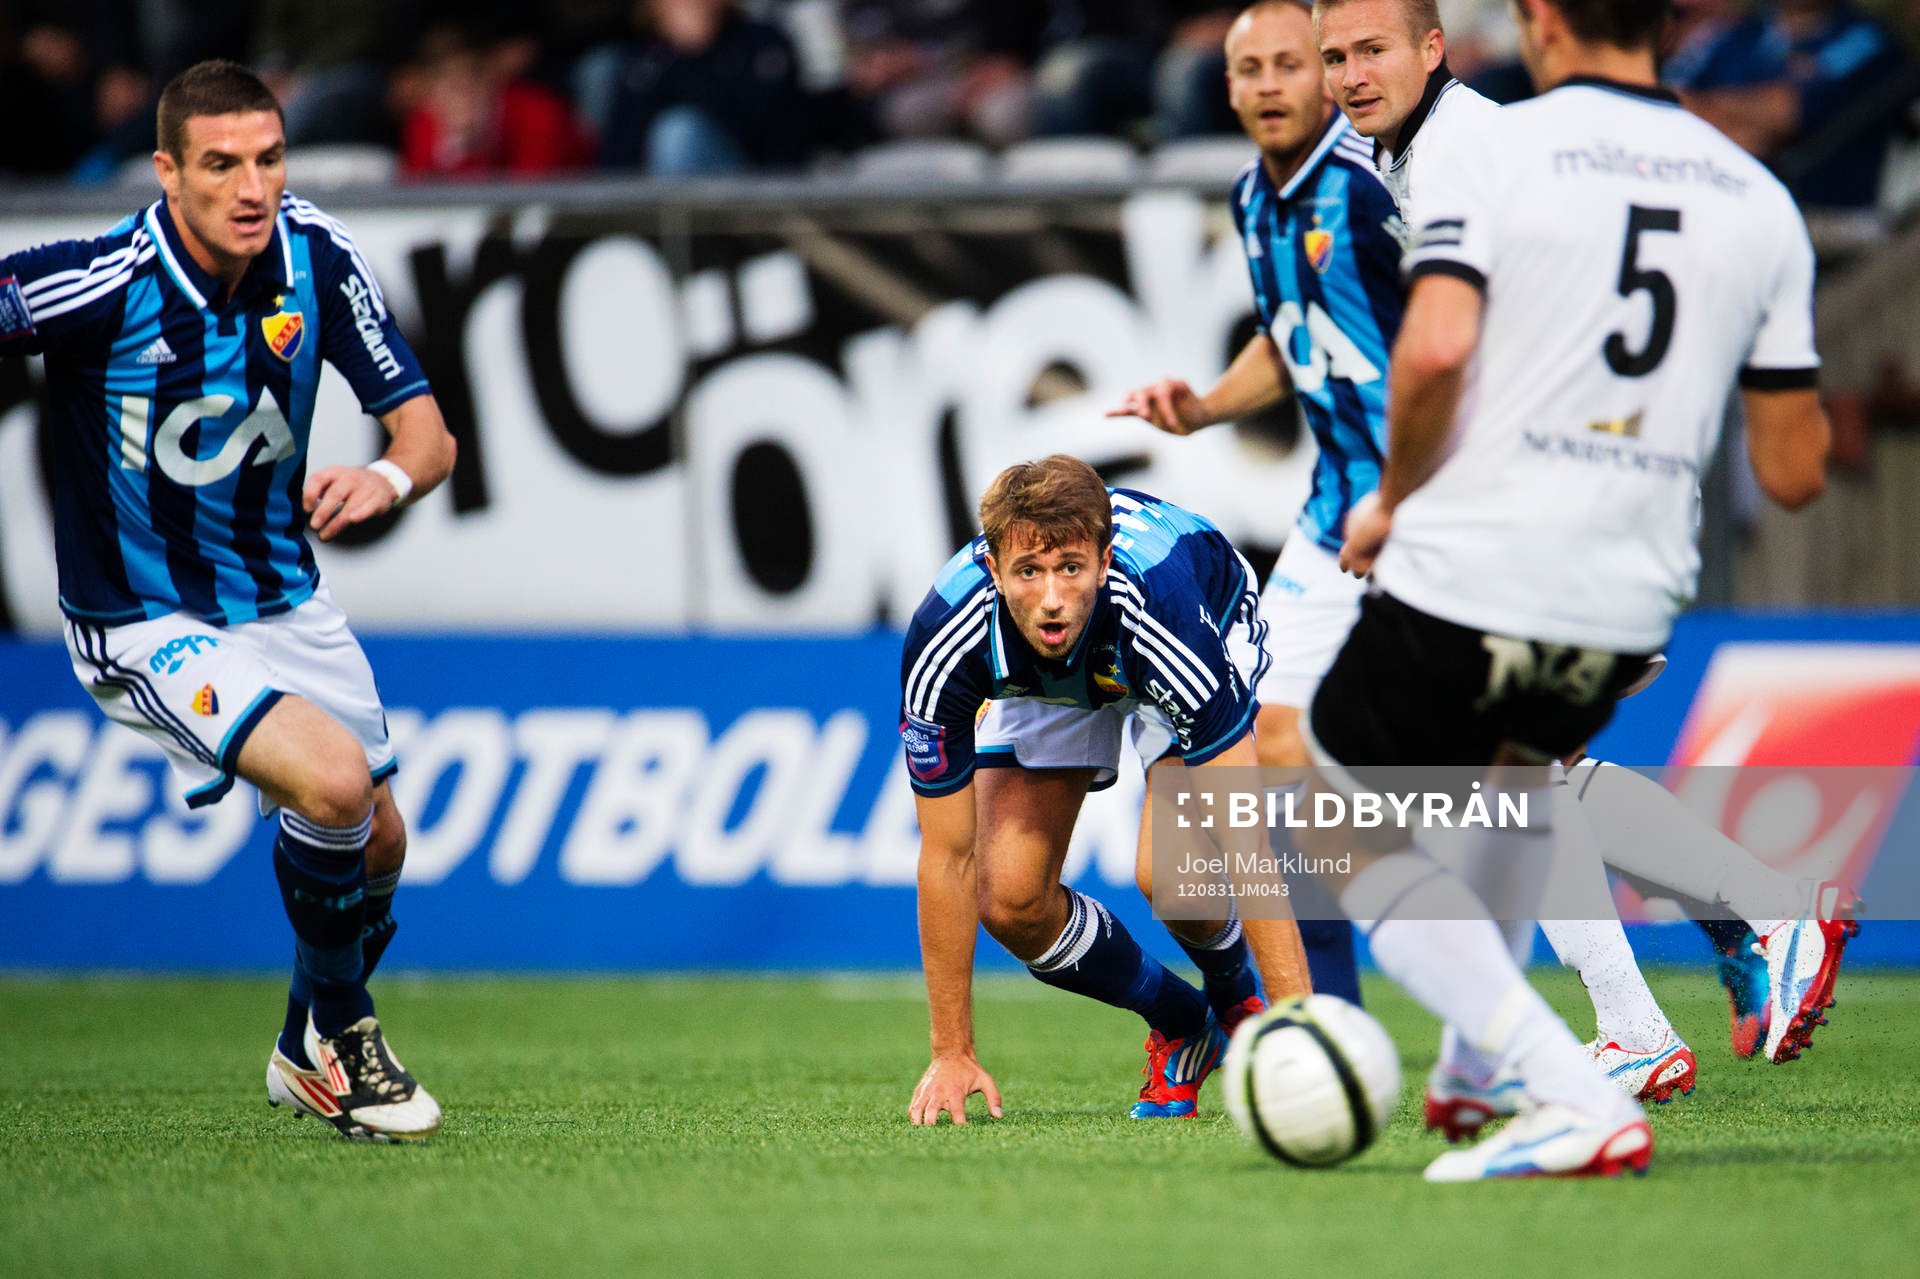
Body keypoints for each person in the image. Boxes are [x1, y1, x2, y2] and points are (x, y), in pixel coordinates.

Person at [1306, 0, 1842, 1180]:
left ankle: (1598, 1040)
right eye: (1328, 56)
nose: (1342, 76)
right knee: (1511, 784)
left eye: (1364, 50)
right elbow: (1796, 470)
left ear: (1528, 22)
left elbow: (1442, 348)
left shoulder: (1496, 151)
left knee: (1331, 795)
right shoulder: (1758, 198)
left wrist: (1393, 497)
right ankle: (1587, 1042)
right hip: (1640, 563)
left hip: (1511, 536)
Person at [0, 60, 456, 1141]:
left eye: (268, 158)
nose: (252, 187)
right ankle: (343, 1036)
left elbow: (429, 436)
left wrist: (382, 479)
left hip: (284, 600)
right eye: (220, 165)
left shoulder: (318, 255)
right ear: (167, 173)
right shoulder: (103, 281)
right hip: (142, 616)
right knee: (336, 784)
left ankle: (304, 1042)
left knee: (380, 837)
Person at [1109, 0, 1399, 1010]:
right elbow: (1292, 339)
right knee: (1265, 739)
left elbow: (1461, 338)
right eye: (1251, 68)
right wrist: (1202, 408)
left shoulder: (1373, 193)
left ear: (1326, 78)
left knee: (1511, 763)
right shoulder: (1254, 198)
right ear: (1226, 86)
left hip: (1430, 507)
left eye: (1291, 63)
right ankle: (1328, 1006)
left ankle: (1737, 919)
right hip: (1335, 516)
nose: (1271, 83)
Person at [902, 455, 1286, 1124]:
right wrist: (951, 1050)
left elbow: (1244, 834)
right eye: (1029, 572)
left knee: (1174, 879)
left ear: (1104, 562)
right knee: (1010, 898)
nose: (1051, 595)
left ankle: (1237, 999)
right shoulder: (945, 638)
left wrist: (1297, 1021)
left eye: (1070, 567)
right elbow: (945, 857)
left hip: (1191, 620)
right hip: (1046, 670)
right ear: (993, 572)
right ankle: (1183, 1023)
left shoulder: (1164, 611)